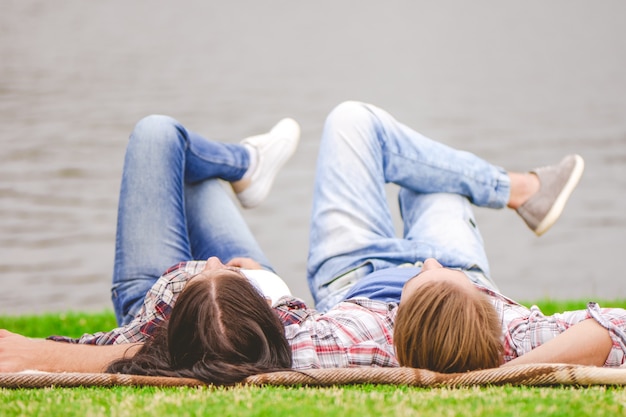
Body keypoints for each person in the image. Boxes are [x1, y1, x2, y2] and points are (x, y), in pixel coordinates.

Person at [1, 101, 624, 381]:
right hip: (476, 307)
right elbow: (612, 326)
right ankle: (516, 189)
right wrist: (502, 371)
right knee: (425, 182)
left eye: (424, 273)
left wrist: (232, 286)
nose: (425, 258)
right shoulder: (514, 331)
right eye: (442, 268)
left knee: (169, 143)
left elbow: (225, 357)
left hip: (352, 272)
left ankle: (240, 162)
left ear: (398, 328)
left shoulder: (344, 343)